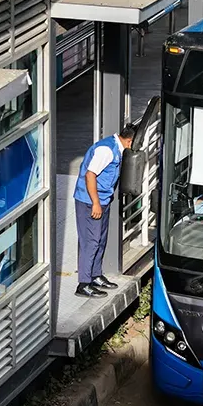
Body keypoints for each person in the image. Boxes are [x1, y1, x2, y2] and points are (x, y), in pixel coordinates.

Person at [73, 125, 136, 298]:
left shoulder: (116, 148)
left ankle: (95, 275)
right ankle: (84, 284)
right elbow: (90, 175)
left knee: (100, 239)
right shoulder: (106, 151)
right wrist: (95, 203)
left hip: (103, 201)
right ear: (130, 141)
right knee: (91, 241)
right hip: (89, 202)